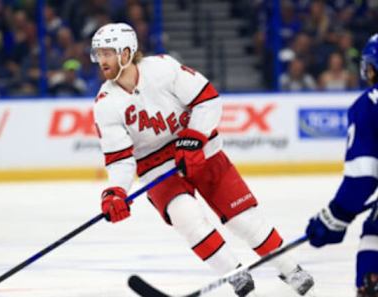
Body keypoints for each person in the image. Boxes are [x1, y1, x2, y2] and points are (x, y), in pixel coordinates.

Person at [91, 23, 314, 297]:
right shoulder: (105, 103)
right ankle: (235, 276)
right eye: (98, 53)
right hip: (156, 169)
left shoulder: (162, 69)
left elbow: (208, 99)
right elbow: (120, 158)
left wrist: (194, 138)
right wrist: (116, 191)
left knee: (243, 220)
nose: (102, 60)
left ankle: (292, 270)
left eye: (107, 53)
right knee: (187, 218)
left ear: (127, 53)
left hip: (203, 154)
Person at [306, 33, 378, 297]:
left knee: (376, 230)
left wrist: (333, 219)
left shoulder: (368, 105)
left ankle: (372, 282)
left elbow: (362, 179)